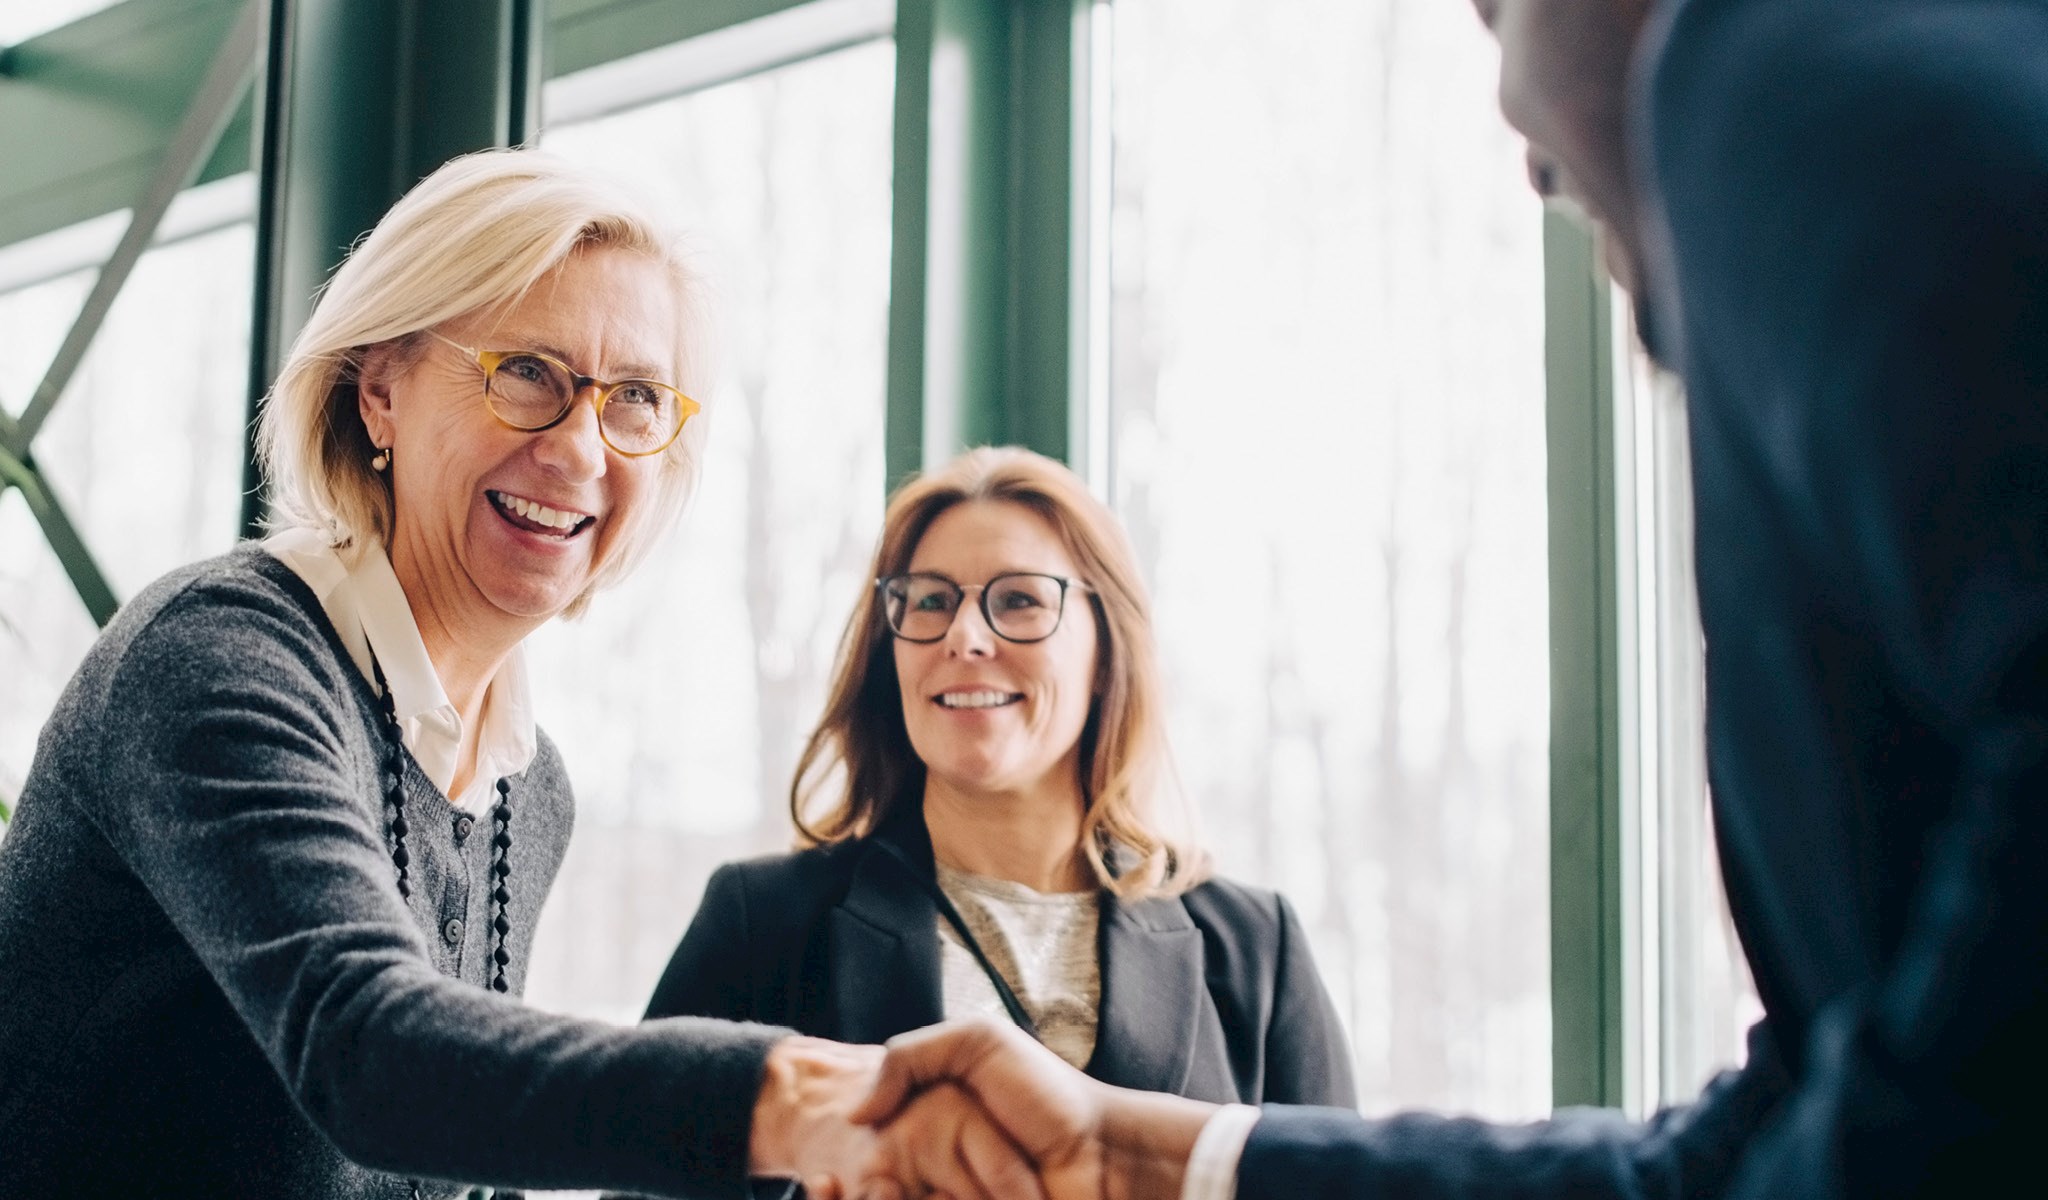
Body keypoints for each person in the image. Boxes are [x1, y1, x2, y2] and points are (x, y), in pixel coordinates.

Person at [849, 0, 2048, 1197]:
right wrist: (1127, 1154)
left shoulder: (1784, 64)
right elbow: (1756, 1141)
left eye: (1490, 11)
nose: (1522, 145)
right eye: (928, 601)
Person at [0, 148, 881, 1199]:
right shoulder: (217, 659)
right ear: (379, 392)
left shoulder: (530, 786)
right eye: (526, 374)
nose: (580, 452)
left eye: (635, 400)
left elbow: (453, 1147)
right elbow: (370, 1053)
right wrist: (805, 1106)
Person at [644, 446, 1355, 1109]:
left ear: (1107, 652)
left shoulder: (1259, 948)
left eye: (1019, 600)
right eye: (929, 600)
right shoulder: (761, 926)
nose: (966, 636)